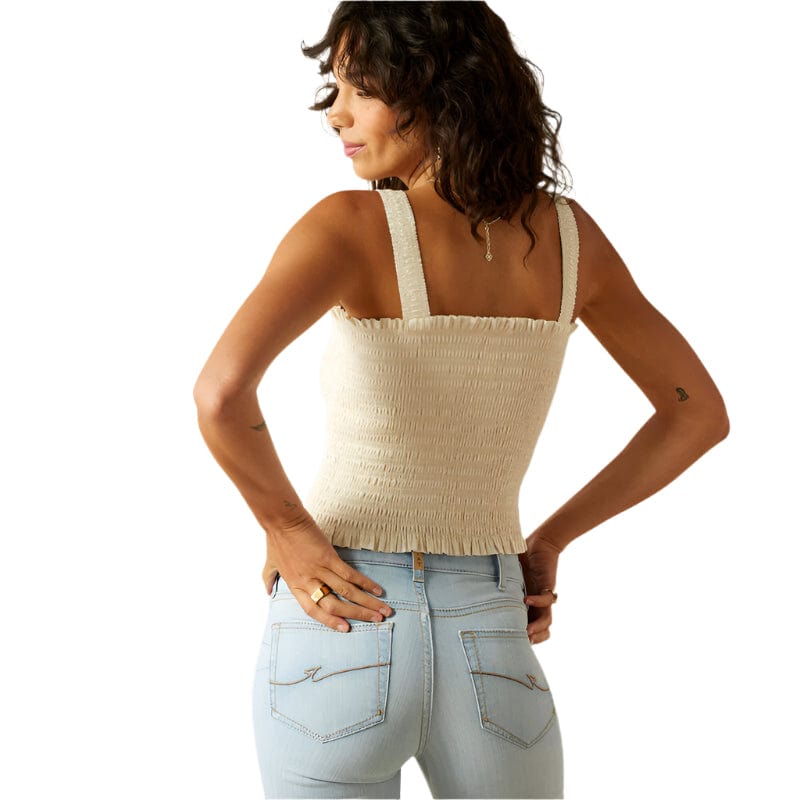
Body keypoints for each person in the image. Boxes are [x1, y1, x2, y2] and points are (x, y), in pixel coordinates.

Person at [193, 2, 729, 798]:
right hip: (490, 622)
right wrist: (549, 541)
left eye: (361, 88)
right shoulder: (569, 240)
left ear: (439, 91)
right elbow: (696, 413)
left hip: (342, 611)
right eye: (335, 88)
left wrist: (289, 530)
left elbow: (221, 394)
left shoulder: (350, 226)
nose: (336, 113)